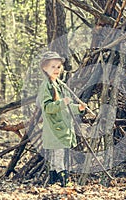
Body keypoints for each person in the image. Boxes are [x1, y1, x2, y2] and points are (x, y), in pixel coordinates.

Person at [37, 51, 86, 187]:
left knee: (56, 158)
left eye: (58, 67)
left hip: (62, 128)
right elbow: (47, 108)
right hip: (54, 129)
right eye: (52, 67)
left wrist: (78, 108)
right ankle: (65, 184)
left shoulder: (59, 84)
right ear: (44, 68)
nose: (56, 70)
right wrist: (62, 103)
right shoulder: (46, 86)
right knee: (58, 159)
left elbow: (66, 107)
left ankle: (53, 184)